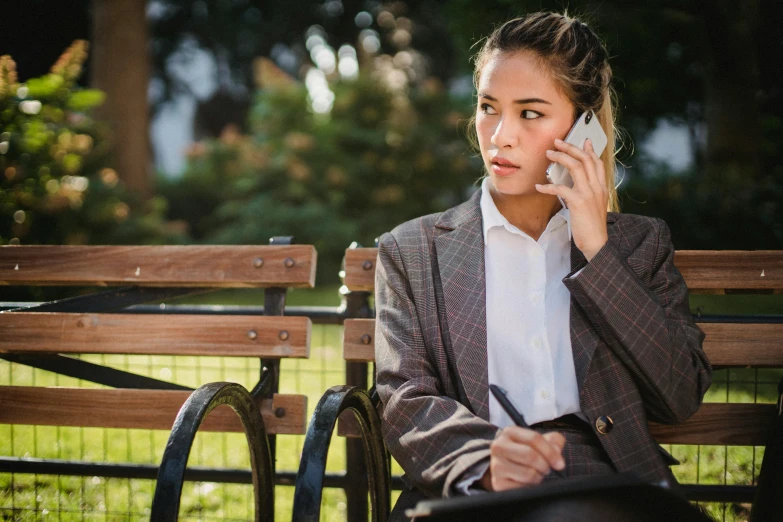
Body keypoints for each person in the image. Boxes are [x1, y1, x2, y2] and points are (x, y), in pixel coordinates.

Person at [374, 11, 713, 521]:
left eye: (529, 113)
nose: (500, 136)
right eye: (489, 108)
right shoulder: (413, 250)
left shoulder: (639, 244)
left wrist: (598, 249)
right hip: (471, 489)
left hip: (603, 487)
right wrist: (483, 458)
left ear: (584, 128)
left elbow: (679, 395)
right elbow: (403, 399)